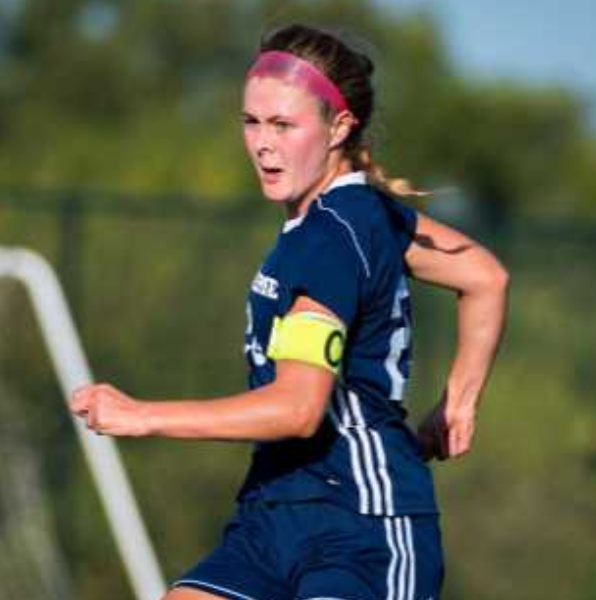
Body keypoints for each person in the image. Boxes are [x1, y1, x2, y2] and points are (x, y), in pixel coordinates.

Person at [71, 23, 509, 600]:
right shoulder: (359, 215)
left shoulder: (332, 237)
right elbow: (483, 275)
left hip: (360, 529)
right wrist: (457, 405)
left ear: (339, 127)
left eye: (283, 124)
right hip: (273, 517)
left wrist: (142, 415)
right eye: (251, 122)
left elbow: (298, 408)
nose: (262, 143)